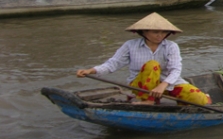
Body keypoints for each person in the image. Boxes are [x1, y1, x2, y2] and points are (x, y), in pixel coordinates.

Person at [76, 12, 212, 105]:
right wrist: (91, 71)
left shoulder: (171, 46)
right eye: (155, 32)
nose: (160, 35)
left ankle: (197, 98)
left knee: (200, 101)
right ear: (143, 32)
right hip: (141, 87)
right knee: (152, 65)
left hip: (166, 85)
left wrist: (162, 86)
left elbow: (176, 69)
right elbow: (113, 64)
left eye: (164, 32)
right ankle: (148, 101)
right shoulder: (130, 45)